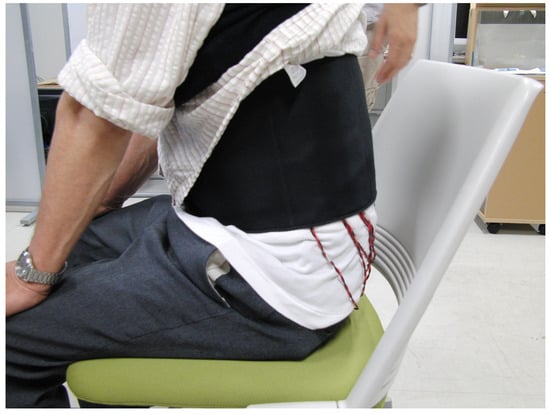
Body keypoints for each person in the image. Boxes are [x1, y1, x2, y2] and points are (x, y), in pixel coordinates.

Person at [6, 3, 419, 407]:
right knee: (80, 244)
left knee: (12, 338)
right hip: (253, 237)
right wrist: (103, 202)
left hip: (271, 277)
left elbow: (93, 119)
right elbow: (154, 95)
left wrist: (31, 276)